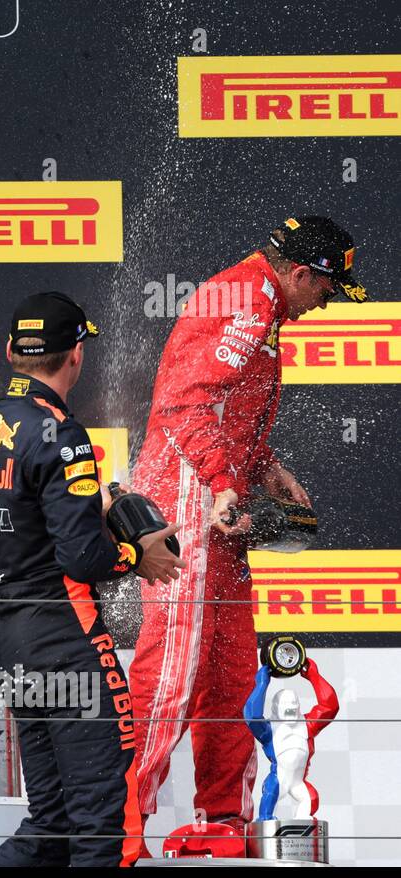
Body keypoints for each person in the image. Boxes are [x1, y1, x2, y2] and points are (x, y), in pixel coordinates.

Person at [130, 217, 367, 828]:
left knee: (231, 668)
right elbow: (184, 403)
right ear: (299, 273)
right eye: (328, 288)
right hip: (187, 486)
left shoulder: (260, 304)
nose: (327, 302)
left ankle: (223, 827)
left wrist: (264, 468)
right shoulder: (245, 300)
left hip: (215, 489)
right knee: (174, 670)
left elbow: (222, 401)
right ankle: (115, 831)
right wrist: (223, 480)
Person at [0, 292, 182, 866]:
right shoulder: (64, 434)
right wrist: (140, 557)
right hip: (68, 642)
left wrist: (97, 504)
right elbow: (83, 559)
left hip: (13, 641)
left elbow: (29, 523)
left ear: (11, 350)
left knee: (52, 822)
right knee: (100, 824)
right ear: (76, 356)